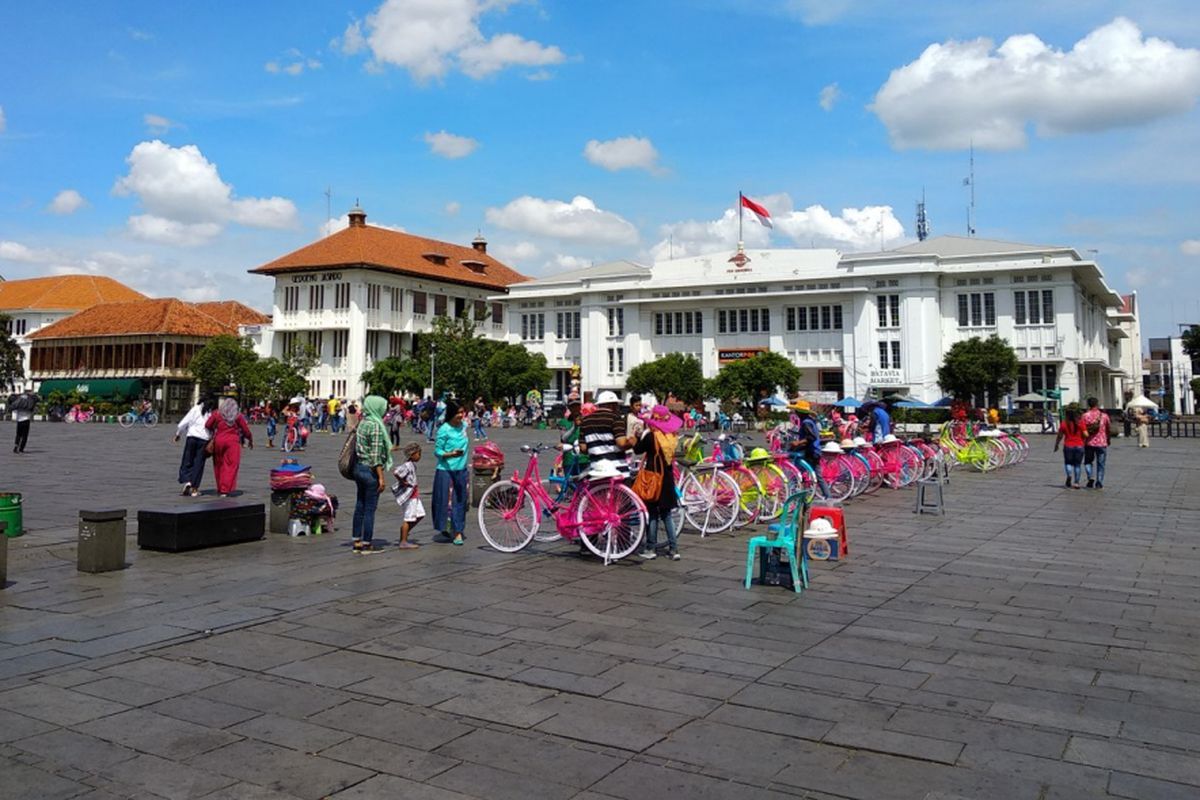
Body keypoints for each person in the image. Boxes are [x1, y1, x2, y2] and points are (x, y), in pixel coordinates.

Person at [635, 405, 682, 561]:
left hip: (654, 478)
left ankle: (650, 547)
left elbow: (637, 450)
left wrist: (637, 436)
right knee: (667, 515)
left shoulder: (651, 436)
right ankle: (674, 549)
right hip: (667, 477)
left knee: (653, 514)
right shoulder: (671, 436)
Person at [351, 395, 392, 554]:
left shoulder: (362, 422)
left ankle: (357, 541)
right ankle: (367, 544)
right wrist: (381, 478)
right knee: (369, 509)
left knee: (359, 505)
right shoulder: (375, 425)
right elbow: (375, 457)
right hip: (369, 471)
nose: (384, 410)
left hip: (358, 468)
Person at [432, 400, 470, 546]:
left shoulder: (464, 426)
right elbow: (438, 451)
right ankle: (446, 528)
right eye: (458, 413)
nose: (461, 415)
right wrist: (450, 454)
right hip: (446, 469)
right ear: (451, 414)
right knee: (445, 502)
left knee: (460, 500)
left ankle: (459, 531)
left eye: (462, 412)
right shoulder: (444, 429)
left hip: (461, 469)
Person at [204, 397, 253, 497]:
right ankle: (225, 489)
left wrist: (215, 429)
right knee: (231, 466)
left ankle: (220, 487)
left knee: (219, 465)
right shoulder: (237, 416)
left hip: (218, 441)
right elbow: (245, 430)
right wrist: (250, 439)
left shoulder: (217, 414)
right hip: (232, 443)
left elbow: (207, 424)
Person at [174, 395, 216, 496]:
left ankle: (187, 481)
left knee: (187, 460)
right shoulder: (210, 413)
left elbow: (183, 423)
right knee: (199, 463)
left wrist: (178, 434)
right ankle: (194, 488)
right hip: (204, 439)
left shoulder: (195, 409)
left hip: (191, 437)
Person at [787, 400, 829, 498]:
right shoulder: (809, 421)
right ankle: (827, 496)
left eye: (796, 411)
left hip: (811, 452)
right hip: (815, 451)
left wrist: (798, 443)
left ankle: (793, 493)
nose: (795, 413)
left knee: (797, 472)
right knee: (816, 476)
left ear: (800, 412)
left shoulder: (806, 422)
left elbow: (811, 437)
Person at [581, 391, 627, 474]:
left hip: (596, 469)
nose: (617, 407)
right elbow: (622, 443)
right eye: (616, 405)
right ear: (611, 405)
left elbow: (583, 448)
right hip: (617, 469)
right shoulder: (616, 418)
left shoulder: (585, 421)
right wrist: (632, 441)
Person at [391, 442, 425, 550]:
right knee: (409, 517)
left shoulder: (412, 465)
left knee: (420, 514)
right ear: (412, 454)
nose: (419, 456)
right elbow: (396, 472)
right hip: (410, 495)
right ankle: (403, 540)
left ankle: (405, 532)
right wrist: (403, 482)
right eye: (418, 454)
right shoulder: (407, 465)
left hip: (415, 494)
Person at [1080, 397, 1112, 489]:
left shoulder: (1085, 416)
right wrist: (1108, 439)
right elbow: (1108, 429)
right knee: (1101, 464)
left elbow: (1082, 429)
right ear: (1097, 404)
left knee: (1088, 462)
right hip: (1102, 443)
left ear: (1088, 405)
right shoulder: (1104, 416)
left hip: (1089, 443)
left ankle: (1090, 477)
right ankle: (1099, 482)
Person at [1054, 406, 1086, 489]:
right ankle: (1076, 483)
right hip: (1079, 445)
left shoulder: (1064, 423)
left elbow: (1060, 436)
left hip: (1068, 445)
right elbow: (1086, 434)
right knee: (1077, 465)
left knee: (1068, 463)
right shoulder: (1080, 423)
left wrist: (1056, 445)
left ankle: (1069, 475)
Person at [10, 388, 38, 454]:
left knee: (18, 434)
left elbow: (13, 406)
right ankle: (21, 449)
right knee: (24, 435)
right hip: (26, 419)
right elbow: (36, 400)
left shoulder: (19, 399)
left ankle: (16, 447)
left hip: (19, 419)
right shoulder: (30, 400)